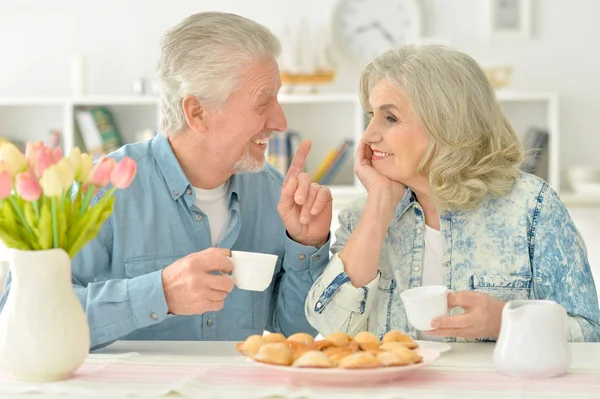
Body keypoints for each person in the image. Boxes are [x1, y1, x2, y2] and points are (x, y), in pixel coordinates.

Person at [0, 12, 333, 349]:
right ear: (196, 112)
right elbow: (23, 315)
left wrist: (307, 244)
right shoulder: (101, 189)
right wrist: (158, 294)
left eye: (277, 98)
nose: (280, 121)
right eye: (264, 102)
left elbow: (293, 330)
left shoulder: (274, 195)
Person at [305, 44, 600, 342]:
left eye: (390, 118)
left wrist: (506, 322)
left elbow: (590, 332)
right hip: (392, 390)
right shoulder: (362, 214)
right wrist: (380, 203)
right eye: (371, 115)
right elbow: (331, 329)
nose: (368, 135)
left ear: (446, 124)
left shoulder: (532, 207)